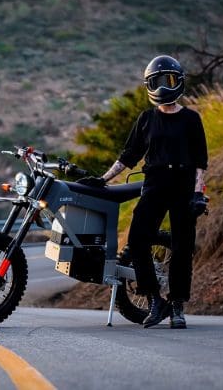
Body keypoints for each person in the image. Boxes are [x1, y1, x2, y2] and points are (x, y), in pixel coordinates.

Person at [80, 55, 208, 329]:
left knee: (182, 246)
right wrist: (103, 179)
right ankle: (154, 300)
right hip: (155, 183)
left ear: (179, 81)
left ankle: (177, 307)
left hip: (184, 185)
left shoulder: (191, 119)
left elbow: (200, 161)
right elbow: (130, 155)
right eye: (157, 80)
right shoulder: (146, 119)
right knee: (138, 240)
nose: (163, 85)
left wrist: (199, 193)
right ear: (149, 84)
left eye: (168, 79)